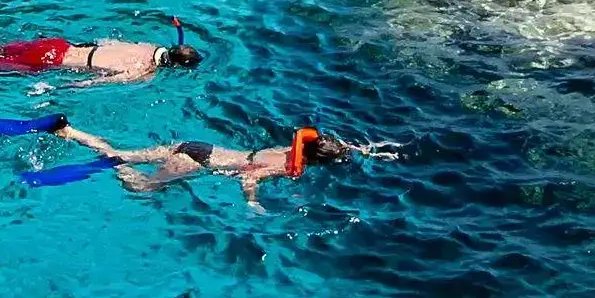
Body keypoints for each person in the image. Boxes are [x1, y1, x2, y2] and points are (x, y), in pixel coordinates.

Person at [42, 116, 362, 206]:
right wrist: (253, 202)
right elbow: (247, 177)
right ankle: (111, 162)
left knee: (124, 151)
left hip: (197, 145)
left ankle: (74, 133)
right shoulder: (284, 167)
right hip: (199, 163)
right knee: (142, 187)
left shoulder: (287, 149)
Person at [0, 20, 202, 85]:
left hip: (58, 44)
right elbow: (97, 83)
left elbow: (103, 39)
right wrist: (69, 86)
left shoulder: (144, 45)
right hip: (52, 61)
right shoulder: (143, 72)